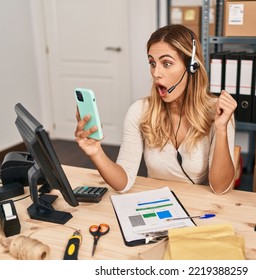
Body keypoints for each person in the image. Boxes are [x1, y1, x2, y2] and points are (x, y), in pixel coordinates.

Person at [74, 24, 237, 194]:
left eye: (166, 63)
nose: (156, 73)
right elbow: (123, 183)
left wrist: (221, 129)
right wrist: (96, 153)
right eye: (152, 63)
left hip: (197, 207)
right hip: (155, 204)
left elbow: (220, 188)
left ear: (191, 67)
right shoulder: (140, 111)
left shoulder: (218, 113)